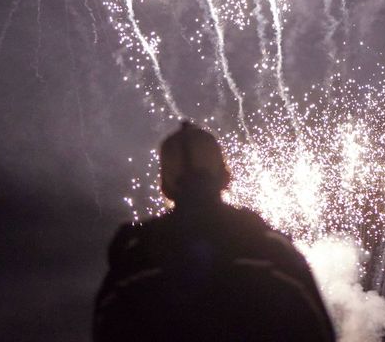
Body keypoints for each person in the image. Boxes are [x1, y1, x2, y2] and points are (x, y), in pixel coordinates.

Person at [94, 121, 335, 342]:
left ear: (165, 185)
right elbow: (319, 333)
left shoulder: (133, 264)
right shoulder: (272, 254)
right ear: (224, 175)